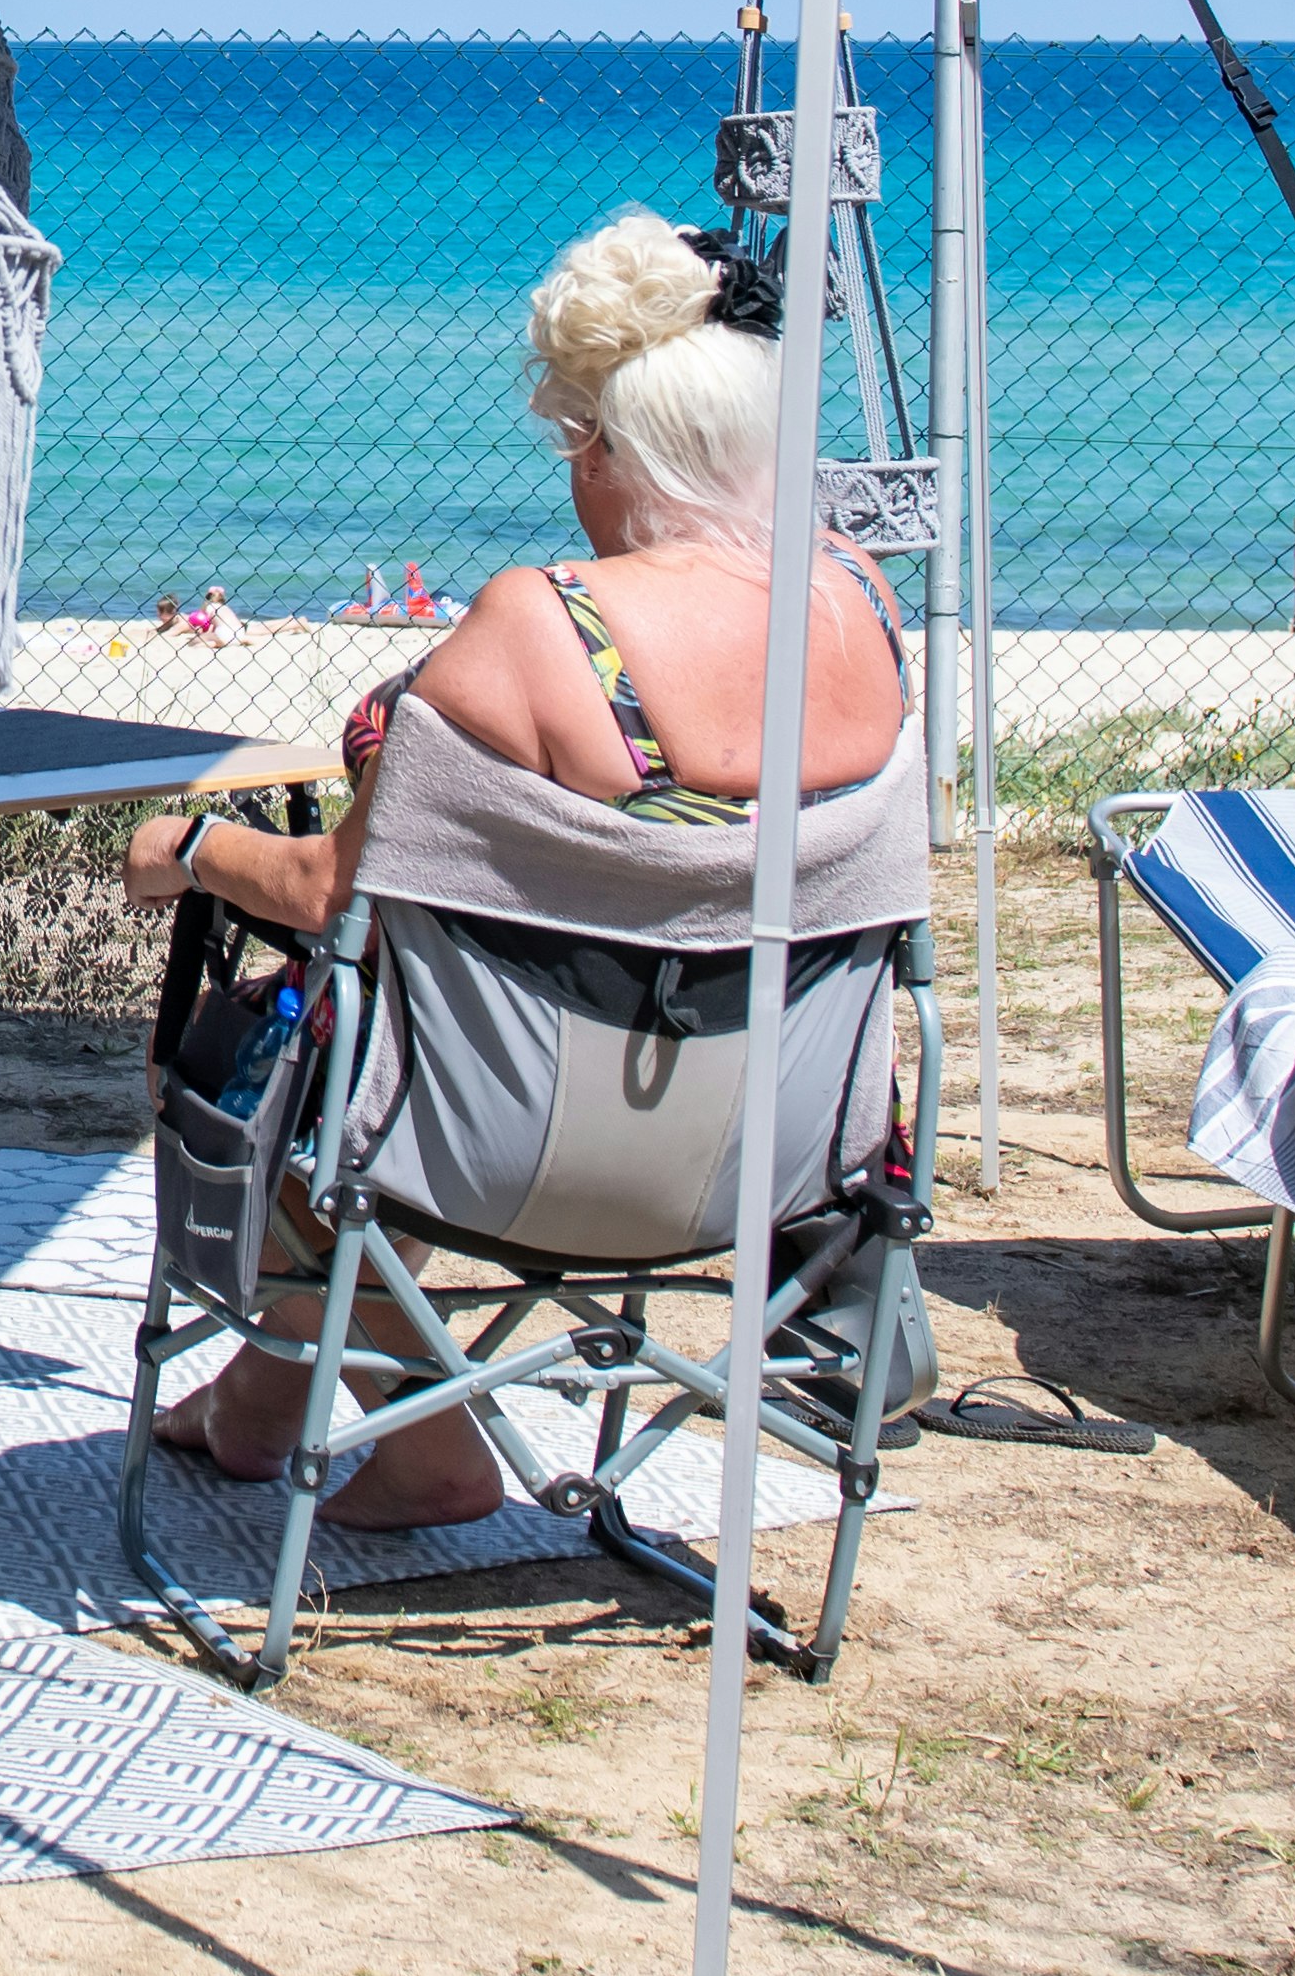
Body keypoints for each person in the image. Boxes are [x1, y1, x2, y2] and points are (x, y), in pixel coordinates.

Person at [119, 207, 914, 1524]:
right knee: (428, 1019)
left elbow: (331, 887)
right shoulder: (864, 606)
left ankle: (430, 1447)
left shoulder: (541, 627)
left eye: (576, 442)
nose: (570, 472)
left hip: (515, 1152)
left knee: (276, 1044)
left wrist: (191, 848)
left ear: (612, 448)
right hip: (779, 1150)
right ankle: (263, 1398)